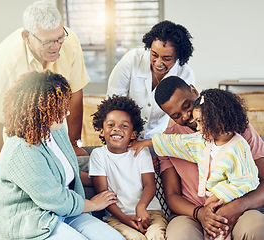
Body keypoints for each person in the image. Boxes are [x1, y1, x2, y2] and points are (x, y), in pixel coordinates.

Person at [0, 1, 90, 219]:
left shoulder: (69, 41)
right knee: (13, 167)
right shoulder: (7, 63)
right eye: (49, 42)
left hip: (44, 107)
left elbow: (75, 91)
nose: (56, 46)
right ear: (26, 36)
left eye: (60, 38)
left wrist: (73, 143)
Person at [0, 70, 125, 240]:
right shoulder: (22, 150)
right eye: (59, 108)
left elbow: (68, 172)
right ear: (39, 111)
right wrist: (93, 204)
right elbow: (54, 199)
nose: (67, 112)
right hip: (32, 220)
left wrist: (102, 179)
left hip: (65, 211)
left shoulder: (56, 129)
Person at [131, 76, 264, 240]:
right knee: (181, 236)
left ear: (194, 91)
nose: (186, 116)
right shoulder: (172, 140)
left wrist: (237, 206)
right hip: (190, 214)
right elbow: (172, 195)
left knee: (255, 227)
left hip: (237, 207)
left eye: (187, 105)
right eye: (176, 115)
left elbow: (259, 179)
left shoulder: (237, 128)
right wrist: (199, 213)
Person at [88, 95, 167, 240]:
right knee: (134, 237)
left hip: (150, 211)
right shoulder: (98, 155)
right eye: (111, 125)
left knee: (156, 234)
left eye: (124, 126)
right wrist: (124, 218)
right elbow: (103, 193)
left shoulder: (141, 152)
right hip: (116, 216)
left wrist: (141, 207)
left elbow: (150, 185)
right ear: (101, 130)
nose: (116, 129)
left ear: (133, 134)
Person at [107, 20, 195, 139]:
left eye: (166, 58)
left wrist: (163, 143)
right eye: (154, 55)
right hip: (124, 135)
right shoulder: (131, 60)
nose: (158, 62)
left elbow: (179, 118)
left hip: (159, 137)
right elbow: (113, 104)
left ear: (178, 57)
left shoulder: (184, 74)